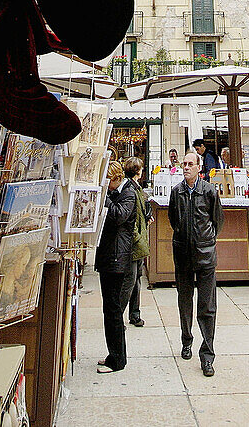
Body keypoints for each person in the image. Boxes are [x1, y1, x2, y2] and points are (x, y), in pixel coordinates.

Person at [168, 149, 224, 377]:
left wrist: (206, 240)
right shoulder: (176, 192)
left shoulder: (209, 191)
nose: (186, 167)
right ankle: (186, 340)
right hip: (183, 254)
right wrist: (183, 236)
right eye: (184, 164)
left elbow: (217, 220)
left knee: (207, 306)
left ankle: (207, 354)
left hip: (205, 254)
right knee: (184, 300)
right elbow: (174, 219)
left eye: (191, 164)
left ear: (199, 167)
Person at [94, 160, 137, 373]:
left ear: (115, 179)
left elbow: (119, 216)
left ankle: (118, 361)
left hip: (117, 258)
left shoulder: (128, 193)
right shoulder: (118, 193)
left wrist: (104, 199)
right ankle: (113, 354)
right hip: (109, 256)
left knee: (114, 310)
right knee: (109, 309)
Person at [120, 156, 151, 327]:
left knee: (136, 278)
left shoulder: (135, 188)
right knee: (130, 280)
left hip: (138, 240)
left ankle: (134, 314)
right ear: (138, 171)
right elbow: (131, 217)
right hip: (134, 242)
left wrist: (147, 216)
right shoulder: (130, 189)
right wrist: (137, 237)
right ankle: (119, 315)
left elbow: (139, 212)